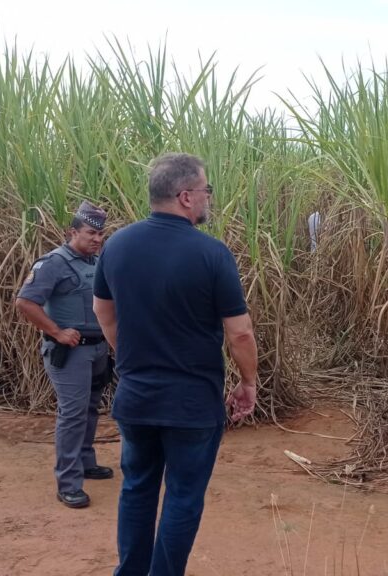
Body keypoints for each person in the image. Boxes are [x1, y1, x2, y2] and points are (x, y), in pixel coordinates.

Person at [92, 153, 258, 576]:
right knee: (183, 495)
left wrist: (128, 356)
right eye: (206, 191)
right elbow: (239, 333)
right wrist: (248, 382)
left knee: (137, 487)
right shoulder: (212, 254)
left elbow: (103, 313)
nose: (208, 199)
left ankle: (129, 571)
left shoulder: (117, 245)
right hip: (191, 403)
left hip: (136, 397)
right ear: (186, 196)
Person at [15, 200, 114, 509]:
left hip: (97, 349)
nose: (96, 239)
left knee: (90, 409)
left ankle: (86, 463)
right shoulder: (53, 263)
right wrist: (57, 331)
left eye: (101, 234)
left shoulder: (98, 263)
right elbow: (25, 303)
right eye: (90, 233)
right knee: (72, 415)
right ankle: (68, 483)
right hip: (69, 352)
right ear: (72, 232)